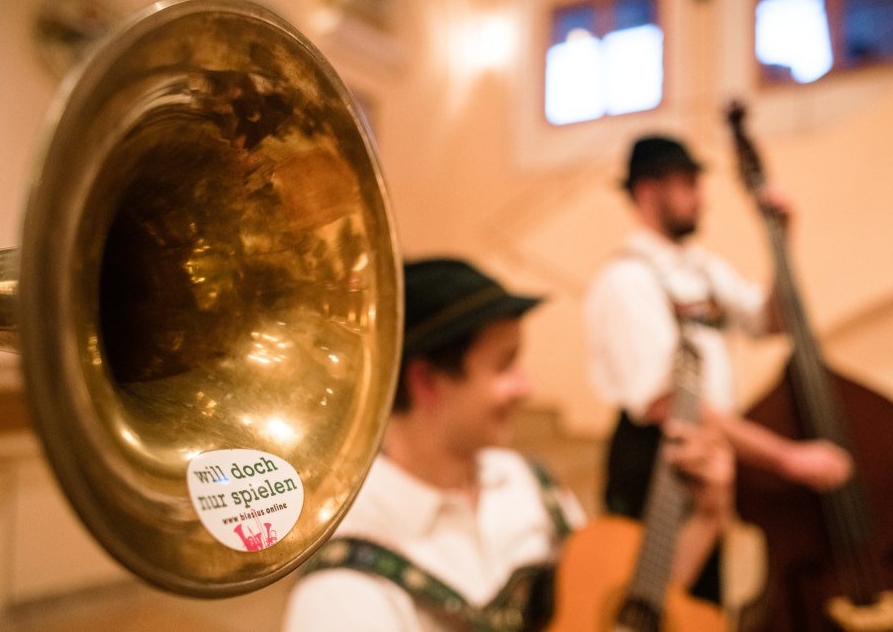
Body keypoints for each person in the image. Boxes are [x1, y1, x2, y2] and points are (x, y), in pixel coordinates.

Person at [282, 256, 734, 631]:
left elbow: (623, 611)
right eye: (505, 366)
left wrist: (708, 517)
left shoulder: (526, 480)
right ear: (426, 383)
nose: (527, 386)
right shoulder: (341, 589)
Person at [583, 135, 854, 604]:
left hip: (708, 455)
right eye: (688, 183)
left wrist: (781, 242)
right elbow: (672, 405)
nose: (701, 197)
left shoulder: (702, 269)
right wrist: (787, 458)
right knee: (653, 606)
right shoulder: (625, 281)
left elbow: (774, 320)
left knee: (700, 609)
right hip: (656, 461)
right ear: (648, 192)